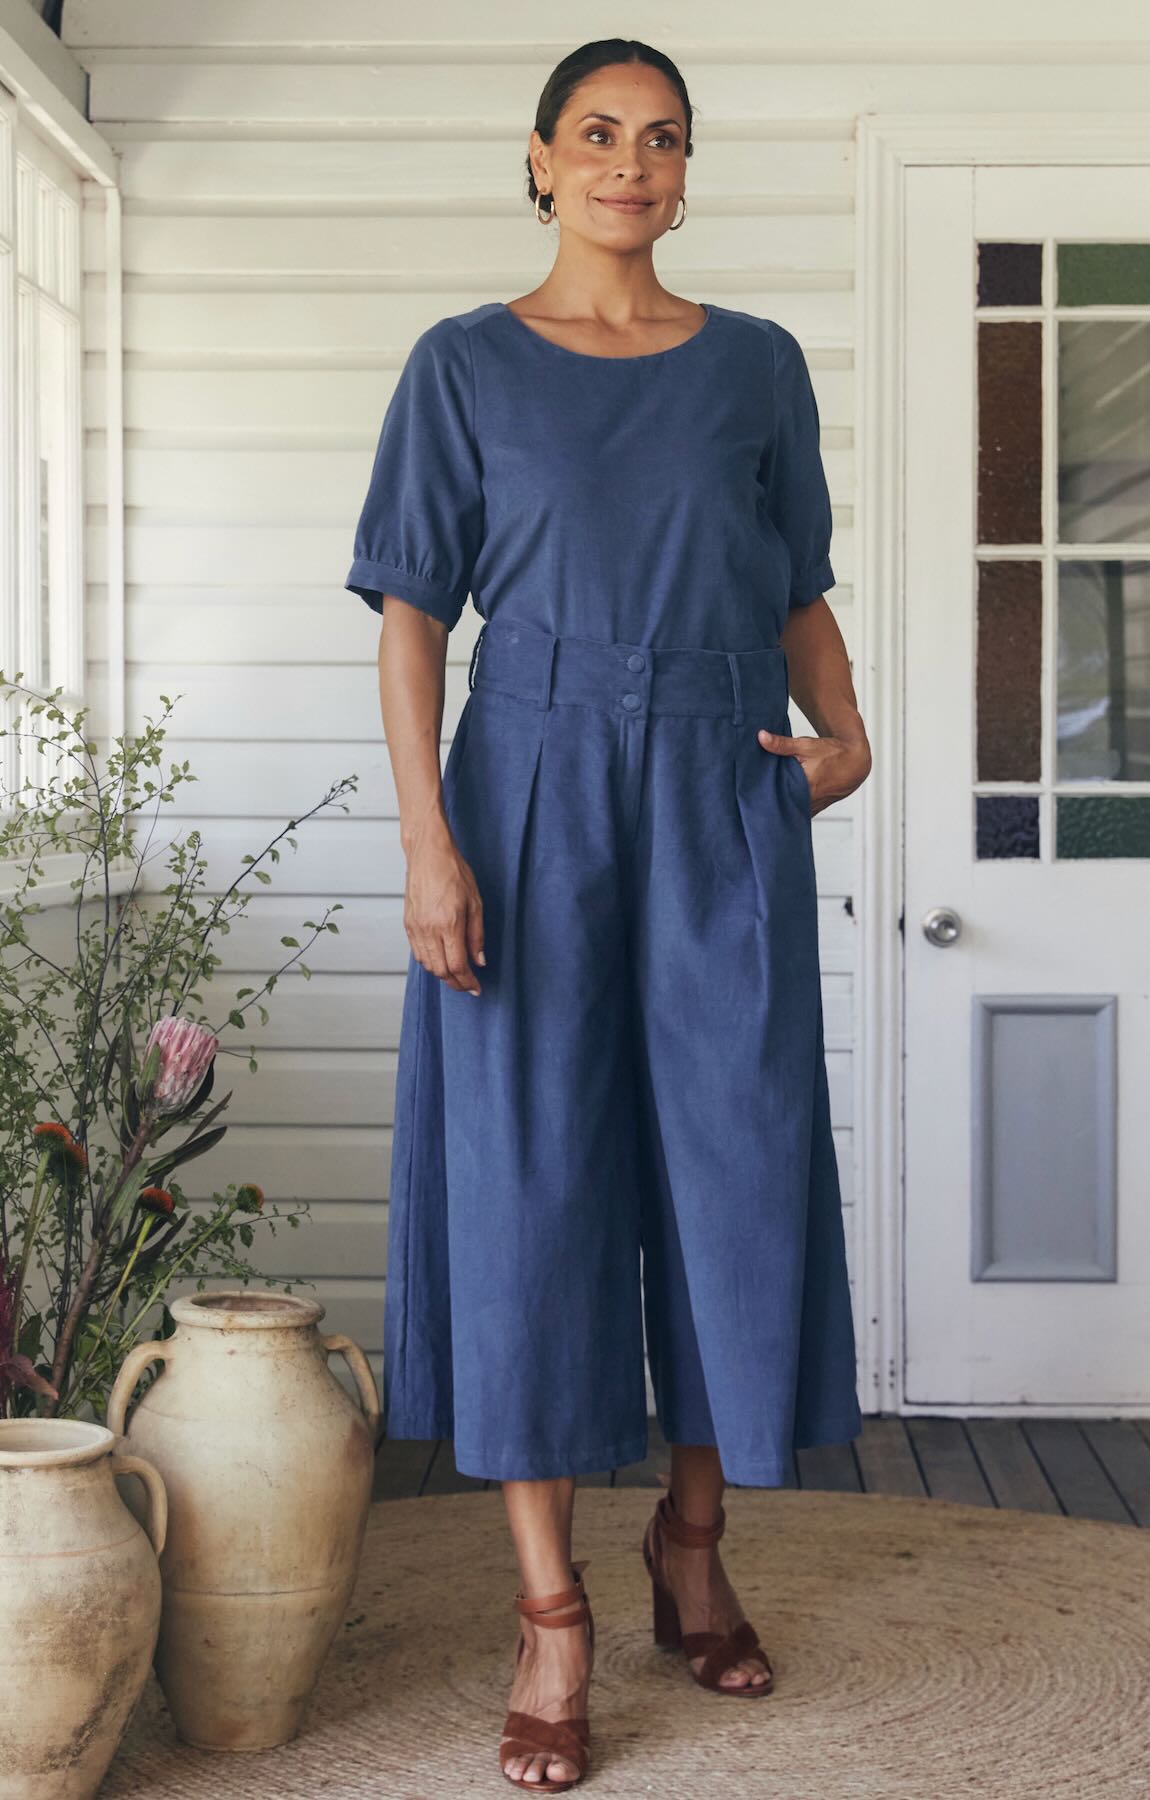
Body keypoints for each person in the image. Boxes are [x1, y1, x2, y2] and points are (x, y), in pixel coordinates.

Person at [345, 36, 872, 1794]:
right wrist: (430, 843)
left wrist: (848, 732)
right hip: (529, 793)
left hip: (719, 790)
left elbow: (797, 584)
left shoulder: (756, 364)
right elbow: (413, 617)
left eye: (661, 138)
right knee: (533, 1181)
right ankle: (551, 1614)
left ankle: (691, 1546)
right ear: (540, 159)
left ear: (686, 169)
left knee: (732, 1163)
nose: (630, 163)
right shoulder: (465, 365)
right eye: (598, 133)